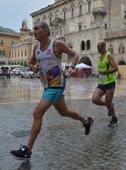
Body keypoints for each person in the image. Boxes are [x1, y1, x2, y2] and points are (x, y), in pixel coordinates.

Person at [10, 22, 94, 160]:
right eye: (34, 29)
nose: (34, 31)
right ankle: (86, 121)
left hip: (57, 83)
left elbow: (75, 55)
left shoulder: (57, 44)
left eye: (37, 29)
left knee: (37, 113)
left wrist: (72, 67)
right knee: (63, 112)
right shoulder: (36, 48)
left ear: (46, 31)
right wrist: (33, 68)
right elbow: (31, 63)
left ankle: (28, 150)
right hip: (46, 85)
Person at [92, 40, 118, 127]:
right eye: (97, 47)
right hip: (102, 82)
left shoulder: (109, 55)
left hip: (110, 82)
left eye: (99, 47)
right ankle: (110, 105)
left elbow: (115, 68)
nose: (98, 48)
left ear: (104, 47)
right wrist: (100, 72)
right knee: (95, 99)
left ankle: (114, 118)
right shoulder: (100, 57)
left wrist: (105, 72)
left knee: (107, 101)